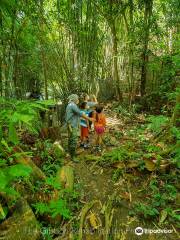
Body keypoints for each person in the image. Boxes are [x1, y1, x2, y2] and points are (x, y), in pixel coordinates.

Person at [65, 94, 94, 162]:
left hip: (70, 124)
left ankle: (70, 152)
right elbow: (80, 113)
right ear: (74, 99)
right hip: (72, 125)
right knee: (73, 140)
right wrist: (89, 118)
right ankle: (72, 156)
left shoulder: (69, 105)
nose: (78, 100)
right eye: (77, 98)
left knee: (70, 139)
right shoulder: (72, 105)